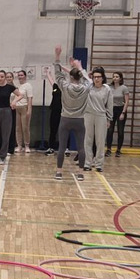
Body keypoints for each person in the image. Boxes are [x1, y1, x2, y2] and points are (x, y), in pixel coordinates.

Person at [50, 47, 91, 180]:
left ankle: (59, 172)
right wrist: (80, 67)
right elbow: (88, 80)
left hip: (65, 119)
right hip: (79, 120)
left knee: (62, 147)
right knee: (81, 148)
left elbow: (58, 74)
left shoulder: (65, 87)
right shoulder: (85, 88)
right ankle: (80, 173)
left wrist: (57, 56)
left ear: (71, 77)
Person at [83, 67, 112, 173]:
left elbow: (109, 105)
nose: (96, 79)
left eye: (99, 77)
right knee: (88, 140)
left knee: (100, 141)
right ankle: (87, 163)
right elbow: (82, 77)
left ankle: (99, 164)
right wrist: (86, 73)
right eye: (94, 77)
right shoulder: (89, 86)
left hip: (101, 116)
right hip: (88, 115)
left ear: (103, 77)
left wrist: (109, 119)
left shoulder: (107, 89)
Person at [0, 66, 17, 166]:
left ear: (5, 77)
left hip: (6, 111)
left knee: (5, 135)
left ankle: (3, 156)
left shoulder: (9, 87)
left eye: (2, 77)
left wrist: (14, 101)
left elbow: (20, 95)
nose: (0, 78)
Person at [12, 69, 33, 155]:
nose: (20, 77)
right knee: (18, 128)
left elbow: (30, 98)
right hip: (17, 108)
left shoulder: (28, 86)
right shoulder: (17, 86)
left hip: (25, 107)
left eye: (21, 75)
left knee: (25, 128)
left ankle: (27, 145)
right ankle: (19, 145)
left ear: (25, 76)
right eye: (19, 75)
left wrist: (29, 110)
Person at [108, 71, 128, 155]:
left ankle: (118, 150)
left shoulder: (124, 88)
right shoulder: (109, 87)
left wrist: (123, 112)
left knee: (120, 131)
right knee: (110, 130)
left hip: (120, 109)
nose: (115, 78)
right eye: (114, 76)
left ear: (120, 78)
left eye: (117, 77)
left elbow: (126, 101)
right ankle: (108, 149)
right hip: (111, 109)